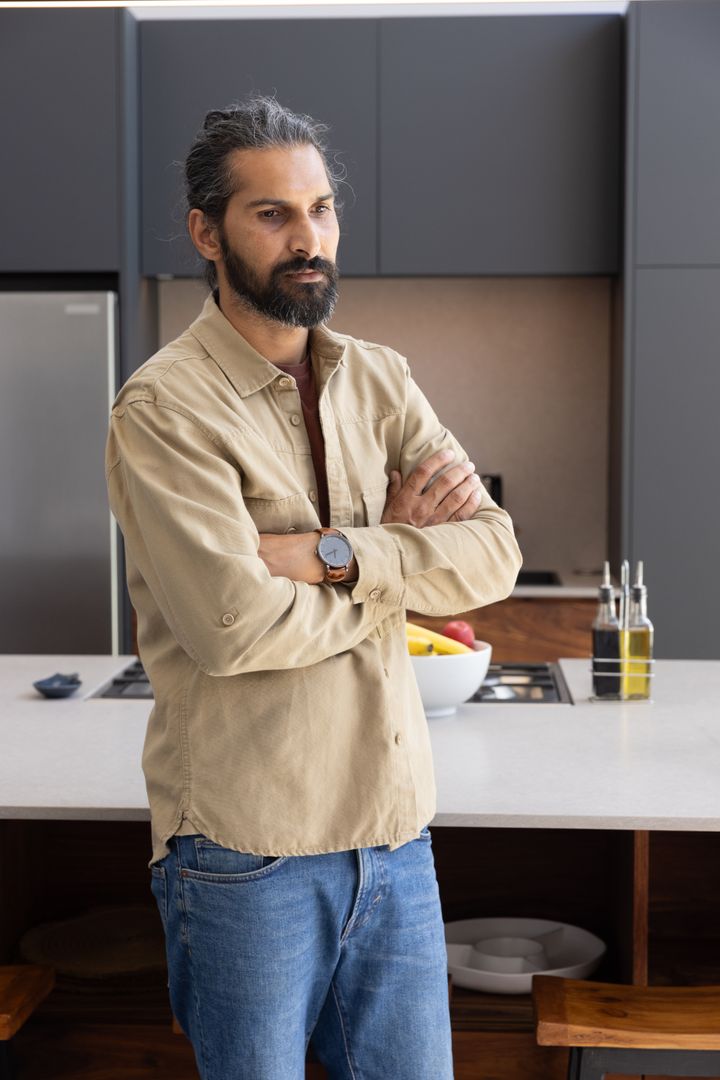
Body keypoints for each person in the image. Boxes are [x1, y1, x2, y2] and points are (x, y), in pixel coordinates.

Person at [105, 95, 522, 1080]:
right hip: (250, 855)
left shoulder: (381, 379)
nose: (309, 238)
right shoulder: (164, 409)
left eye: (322, 210)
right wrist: (397, 558)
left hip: (394, 840)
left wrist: (330, 554)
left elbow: (494, 554)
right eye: (273, 214)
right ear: (208, 232)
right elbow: (234, 627)